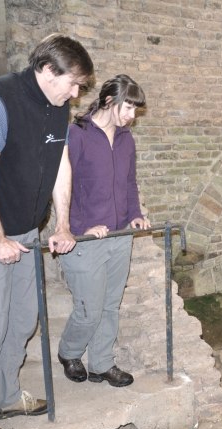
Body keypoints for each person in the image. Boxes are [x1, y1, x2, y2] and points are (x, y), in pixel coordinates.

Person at [0, 34, 94, 429]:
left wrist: (62, 225)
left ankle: (6, 396)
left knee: (21, 321)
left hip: (27, 233)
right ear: (47, 70)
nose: (76, 93)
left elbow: (61, 165)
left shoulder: (59, 108)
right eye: (73, 83)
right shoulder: (0, 99)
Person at [57, 74, 150, 389]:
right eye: (128, 108)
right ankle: (69, 352)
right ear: (109, 101)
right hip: (85, 239)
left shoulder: (126, 139)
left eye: (135, 110)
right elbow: (62, 187)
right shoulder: (77, 134)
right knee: (89, 310)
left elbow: (128, 182)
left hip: (119, 235)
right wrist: (80, 227)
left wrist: (135, 215)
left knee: (110, 305)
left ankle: (101, 364)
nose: (131, 116)